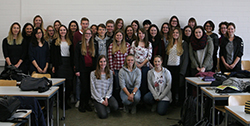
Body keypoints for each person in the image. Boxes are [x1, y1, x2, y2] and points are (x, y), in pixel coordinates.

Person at [50, 25, 74, 109]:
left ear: (66, 31)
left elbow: (73, 54)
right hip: (60, 64)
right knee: (60, 84)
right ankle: (61, 102)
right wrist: (53, 66)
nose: (62, 31)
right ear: (58, 31)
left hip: (68, 64)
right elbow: (53, 55)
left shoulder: (70, 41)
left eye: (64, 30)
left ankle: (66, 100)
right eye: (61, 30)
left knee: (69, 84)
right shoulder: (55, 42)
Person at [75, 28, 98, 112]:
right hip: (82, 69)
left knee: (89, 88)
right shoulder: (79, 44)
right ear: (84, 35)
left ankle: (87, 104)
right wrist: (77, 70)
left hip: (92, 69)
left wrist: (96, 69)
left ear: (92, 35)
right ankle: (82, 105)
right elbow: (76, 58)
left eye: (89, 34)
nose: (88, 35)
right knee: (84, 88)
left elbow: (96, 57)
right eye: (86, 34)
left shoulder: (95, 44)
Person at [164, 27, 188, 105]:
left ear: (180, 34)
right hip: (169, 67)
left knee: (179, 86)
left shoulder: (183, 43)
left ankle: (180, 102)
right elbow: (166, 56)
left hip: (178, 68)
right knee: (171, 86)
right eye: (174, 33)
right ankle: (172, 101)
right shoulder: (169, 44)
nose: (175, 34)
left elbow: (185, 59)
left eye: (177, 33)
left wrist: (182, 71)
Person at [108, 30, 130, 108]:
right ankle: (119, 103)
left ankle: (125, 103)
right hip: (116, 70)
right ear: (115, 36)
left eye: (120, 35)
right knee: (117, 87)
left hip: (125, 70)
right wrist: (112, 69)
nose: (119, 37)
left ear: (123, 36)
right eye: (117, 35)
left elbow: (129, 58)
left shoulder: (127, 45)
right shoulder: (111, 46)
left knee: (124, 86)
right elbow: (110, 59)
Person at [130, 28, 152, 98]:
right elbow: (131, 54)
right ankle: (137, 99)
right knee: (136, 82)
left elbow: (149, 56)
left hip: (145, 66)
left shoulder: (148, 43)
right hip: (135, 66)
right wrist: (136, 64)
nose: (141, 35)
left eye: (143, 33)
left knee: (144, 83)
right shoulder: (134, 43)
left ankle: (144, 100)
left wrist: (141, 65)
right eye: (139, 33)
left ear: (145, 34)